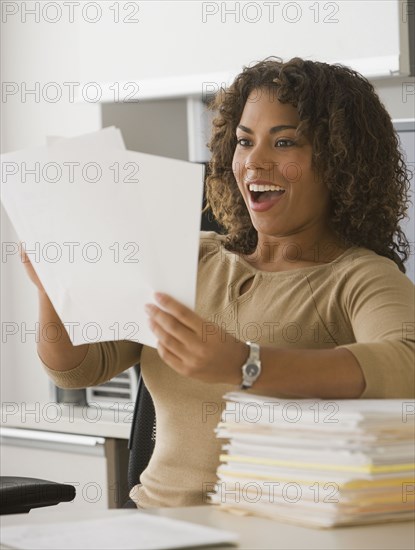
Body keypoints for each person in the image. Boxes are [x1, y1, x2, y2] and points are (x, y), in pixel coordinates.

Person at [22, 57, 414, 508]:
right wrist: (53, 288)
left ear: (339, 162)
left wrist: (246, 365)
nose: (255, 162)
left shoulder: (360, 277)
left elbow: (406, 361)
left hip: (267, 534)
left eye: (284, 142)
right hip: (149, 523)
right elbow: (79, 367)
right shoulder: (193, 256)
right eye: (244, 142)